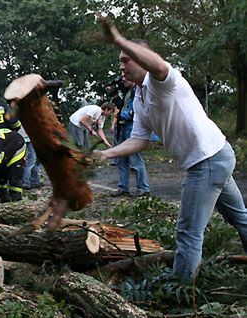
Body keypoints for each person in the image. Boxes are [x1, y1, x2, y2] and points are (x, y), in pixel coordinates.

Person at [94, 15, 247, 279]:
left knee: (188, 232)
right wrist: (106, 153)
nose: (121, 66)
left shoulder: (163, 81)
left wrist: (119, 39)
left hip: (207, 161)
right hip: (216, 157)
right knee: (240, 218)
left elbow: (159, 66)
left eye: (125, 59)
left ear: (142, 57)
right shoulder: (140, 98)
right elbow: (139, 140)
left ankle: (179, 290)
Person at [112, 79, 150, 197]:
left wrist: (122, 114)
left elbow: (135, 110)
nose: (123, 81)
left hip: (131, 127)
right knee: (121, 159)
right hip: (123, 127)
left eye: (126, 79)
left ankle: (143, 188)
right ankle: (123, 187)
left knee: (135, 158)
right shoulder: (127, 92)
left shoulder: (138, 91)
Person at [18, 126, 43, 190]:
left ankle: (34, 180)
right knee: (31, 160)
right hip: (29, 136)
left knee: (28, 160)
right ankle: (27, 181)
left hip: (20, 137)